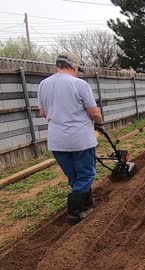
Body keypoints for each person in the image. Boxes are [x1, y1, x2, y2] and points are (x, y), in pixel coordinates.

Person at [38, 52, 104, 224]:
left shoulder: (43, 85)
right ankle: (74, 214)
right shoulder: (79, 84)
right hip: (80, 139)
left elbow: (43, 113)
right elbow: (94, 112)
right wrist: (100, 123)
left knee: (74, 176)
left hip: (57, 140)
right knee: (87, 174)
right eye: (77, 69)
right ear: (74, 66)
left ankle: (87, 205)